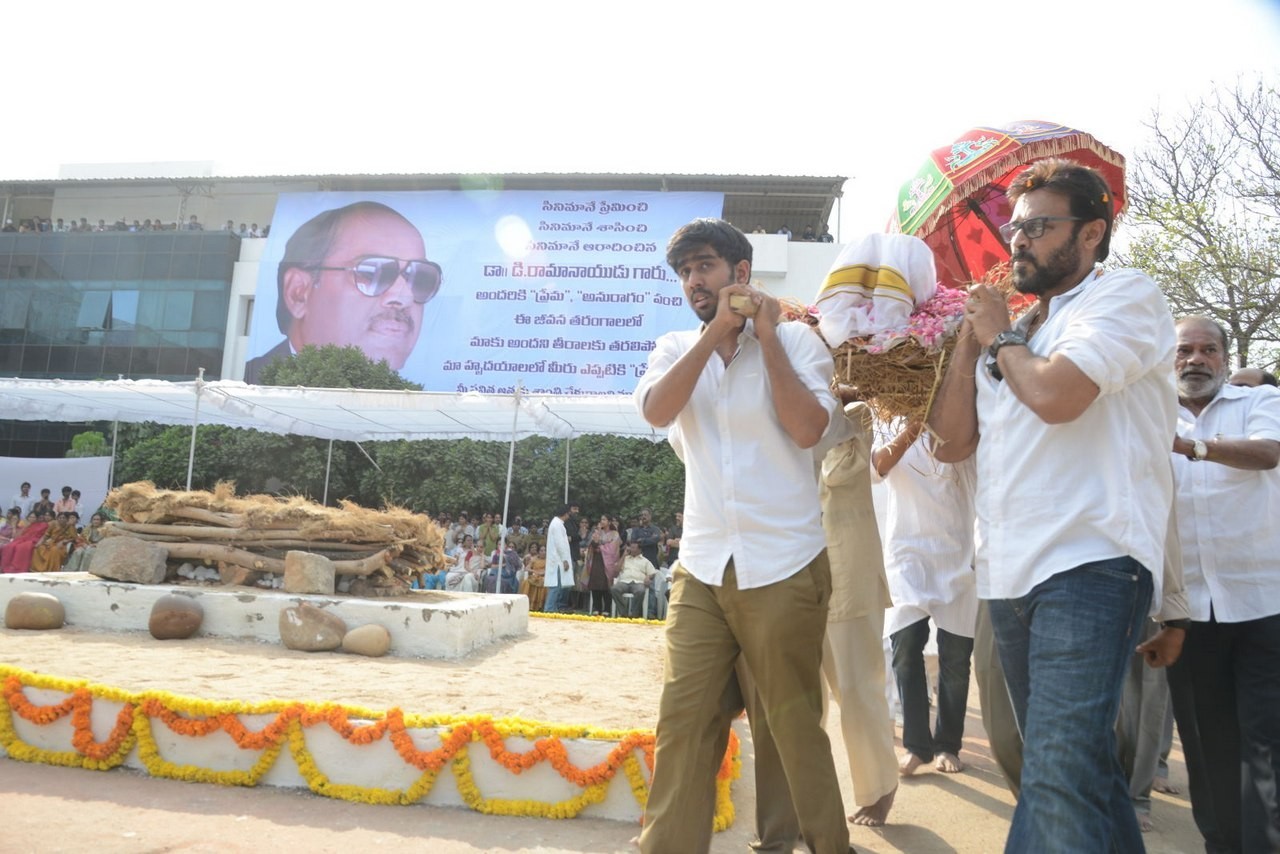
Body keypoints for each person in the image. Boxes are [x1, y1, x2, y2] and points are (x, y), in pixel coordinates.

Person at [927, 158, 1181, 852]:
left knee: (1056, 773)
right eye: (1016, 227)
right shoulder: (1011, 332)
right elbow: (950, 445)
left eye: (1040, 226)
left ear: (1093, 231)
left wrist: (999, 337)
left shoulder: (1123, 297)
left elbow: (1057, 397)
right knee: (1080, 772)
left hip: (1091, 562)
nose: (1018, 240)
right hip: (1007, 572)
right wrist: (965, 343)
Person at [634, 218, 848, 853]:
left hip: (784, 563)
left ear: (742, 273)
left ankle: (805, 846)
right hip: (701, 568)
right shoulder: (676, 348)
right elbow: (655, 411)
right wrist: (714, 336)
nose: (694, 281)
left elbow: (810, 428)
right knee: (683, 719)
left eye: (704, 266)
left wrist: (767, 338)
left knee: (789, 727)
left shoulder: (801, 344)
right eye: (684, 272)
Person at [1166, 315, 1280, 852]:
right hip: (1189, 611)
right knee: (1207, 744)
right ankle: (1222, 844)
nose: (1195, 360)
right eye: (1185, 350)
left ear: (1225, 357)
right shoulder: (1149, 414)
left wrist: (1193, 448)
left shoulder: (1256, 404)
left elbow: (1268, 453)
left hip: (1264, 601)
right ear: (1169, 358)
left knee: (1266, 740)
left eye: (1208, 350)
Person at [873, 420, 978, 777]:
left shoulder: (965, 416)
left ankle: (948, 744)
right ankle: (917, 746)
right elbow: (875, 469)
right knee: (904, 650)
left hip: (959, 555)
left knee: (956, 659)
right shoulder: (891, 419)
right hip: (908, 554)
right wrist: (912, 429)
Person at [244, 201, 441, 383]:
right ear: (299, 293)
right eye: (372, 273)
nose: (403, 296)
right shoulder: (249, 389)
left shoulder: (405, 406)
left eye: (421, 277)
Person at [543, 504, 575, 614]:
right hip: (557, 560)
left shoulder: (557, 523)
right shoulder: (557, 524)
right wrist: (565, 559)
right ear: (565, 513)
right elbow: (560, 544)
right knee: (555, 586)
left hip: (557, 559)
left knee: (557, 586)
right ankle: (549, 609)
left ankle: (552, 608)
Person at [611, 541, 656, 618]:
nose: (631, 549)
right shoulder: (625, 558)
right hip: (624, 582)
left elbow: (652, 572)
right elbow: (617, 570)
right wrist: (623, 556)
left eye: (633, 548)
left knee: (640, 591)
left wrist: (648, 577)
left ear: (639, 550)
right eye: (630, 547)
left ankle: (634, 614)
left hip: (638, 583)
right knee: (614, 589)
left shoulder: (645, 561)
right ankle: (623, 613)